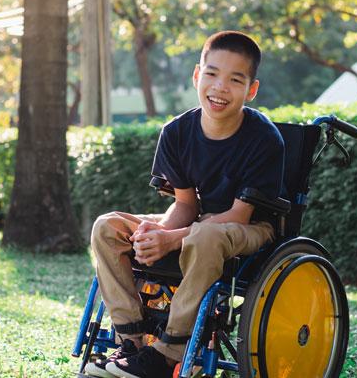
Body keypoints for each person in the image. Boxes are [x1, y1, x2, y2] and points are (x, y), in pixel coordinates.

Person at [86, 31, 285, 378]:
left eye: (235, 79)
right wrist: (156, 233)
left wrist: (171, 239)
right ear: (196, 76)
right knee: (108, 227)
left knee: (204, 238)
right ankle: (131, 342)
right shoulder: (177, 132)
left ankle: (168, 355)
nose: (220, 87)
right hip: (197, 224)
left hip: (251, 228)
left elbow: (238, 216)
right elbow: (186, 205)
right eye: (211, 74)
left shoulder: (264, 138)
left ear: (251, 89)